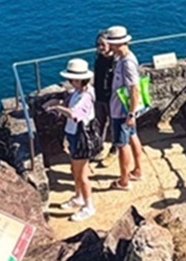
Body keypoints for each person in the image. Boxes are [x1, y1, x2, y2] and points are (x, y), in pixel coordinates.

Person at [48, 58, 98, 221]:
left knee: (82, 174)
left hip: (81, 136)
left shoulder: (86, 96)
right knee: (74, 170)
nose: (70, 81)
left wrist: (57, 108)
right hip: (73, 134)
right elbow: (69, 103)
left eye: (72, 79)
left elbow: (75, 114)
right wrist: (59, 102)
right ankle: (79, 197)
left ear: (78, 79)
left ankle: (89, 206)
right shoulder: (78, 92)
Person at [104, 25, 146, 189]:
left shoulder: (127, 63)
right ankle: (138, 170)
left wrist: (130, 113)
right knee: (132, 137)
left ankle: (124, 181)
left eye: (112, 44)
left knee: (122, 145)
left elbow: (134, 89)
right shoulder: (122, 58)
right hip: (124, 109)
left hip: (122, 110)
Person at [92, 32, 117, 166]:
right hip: (99, 97)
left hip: (112, 99)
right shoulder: (99, 58)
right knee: (99, 124)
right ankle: (98, 148)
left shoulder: (116, 61)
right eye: (98, 45)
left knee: (114, 125)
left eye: (103, 44)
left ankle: (115, 150)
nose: (100, 47)